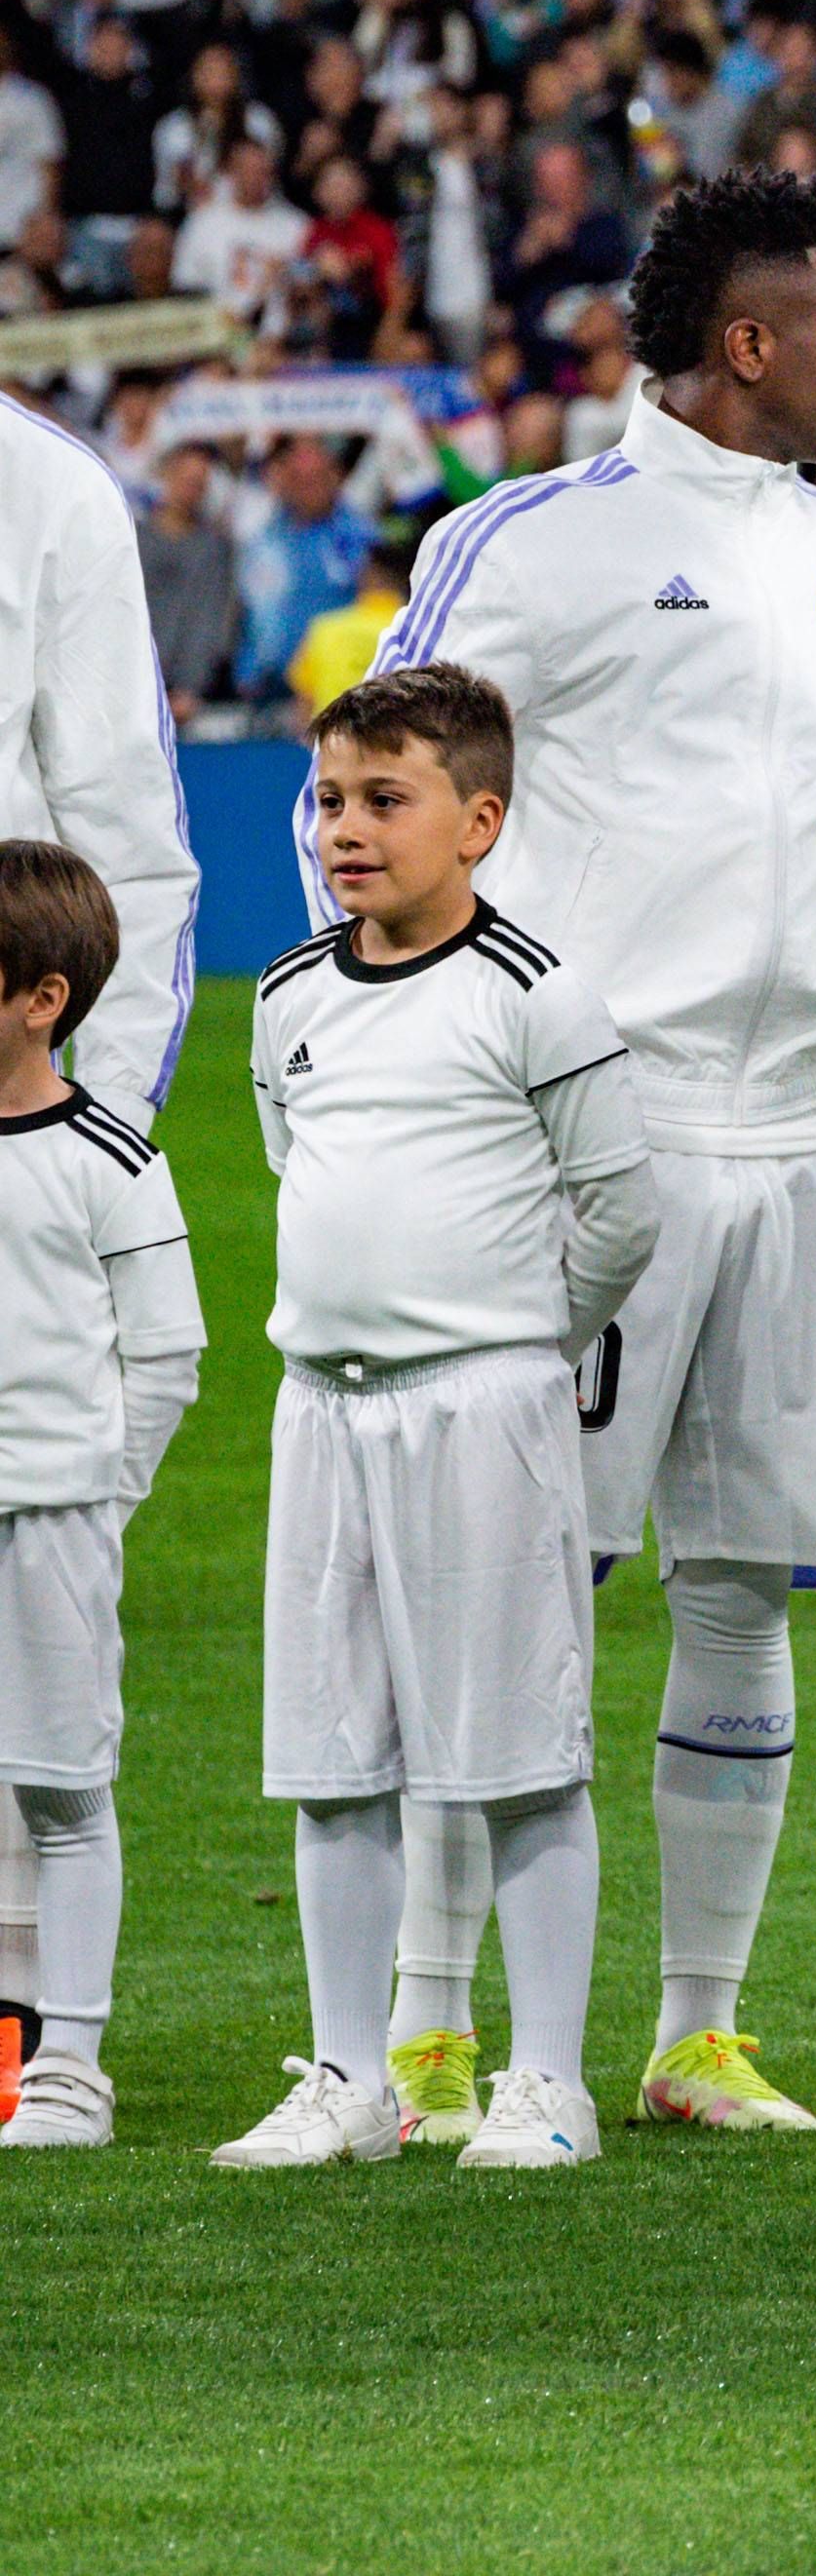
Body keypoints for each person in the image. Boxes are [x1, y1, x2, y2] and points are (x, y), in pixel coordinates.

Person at [342, 169, 816, 2145]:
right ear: (749, 341)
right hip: (600, 1136)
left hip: (803, 1129)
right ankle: (424, 2022)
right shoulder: (537, 544)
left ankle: (695, 2030)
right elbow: (385, 795)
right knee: (526, 1579)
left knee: (744, 1583)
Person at [216, 665, 656, 2174]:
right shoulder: (286, 999)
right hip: (320, 1414)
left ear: (478, 819)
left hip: (486, 1411)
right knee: (333, 1757)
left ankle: (546, 2081)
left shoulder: (537, 994)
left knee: (519, 1749)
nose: (346, 828)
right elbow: (300, 1168)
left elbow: (618, 1209)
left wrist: (520, 1345)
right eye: (331, 798)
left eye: (383, 799)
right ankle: (350, 2076)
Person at [0, 386, 198, 2109]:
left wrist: (81, 1116)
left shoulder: (42, 490)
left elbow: (124, 822)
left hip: (19, 1097)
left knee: (50, 1716)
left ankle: (42, 2028)